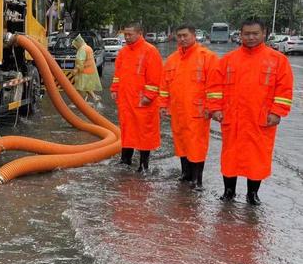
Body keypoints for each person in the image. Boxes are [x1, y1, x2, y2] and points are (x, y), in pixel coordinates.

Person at [210, 18, 294, 205]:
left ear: (264, 34)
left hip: (261, 119)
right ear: (240, 35)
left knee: (258, 158)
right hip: (233, 118)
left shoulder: (278, 60)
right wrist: (215, 109)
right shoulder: (228, 60)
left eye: (255, 33)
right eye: (246, 34)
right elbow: (215, 87)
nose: (251, 37)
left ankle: (252, 194)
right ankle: (229, 192)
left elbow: (284, 90)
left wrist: (277, 112)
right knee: (230, 156)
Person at [158, 24, 220, 189]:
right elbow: (164, 86)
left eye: (185, 35)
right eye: (179, 36)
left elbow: (215, 87)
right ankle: (185, 174)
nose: (182, 39)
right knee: (181, 143)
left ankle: (197, 180)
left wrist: (212, 108)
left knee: (197, 145)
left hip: (198, 112)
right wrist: (163, 106)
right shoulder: (172, 59)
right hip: (178, 111)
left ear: (194, 35)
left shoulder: (207, 57)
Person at [111, 22, 163, 171]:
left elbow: (155, 78)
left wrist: (149, 96)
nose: (126, 37)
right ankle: (125, 160)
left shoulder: (150, 51)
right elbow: (118, 75)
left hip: (143, 102)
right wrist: (115, 89)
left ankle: (143, 165)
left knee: (144, 133)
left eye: (129, 34)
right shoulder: (123, 52)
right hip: (126, 100)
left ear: (140, 33)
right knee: (127, 130)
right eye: (125, 34)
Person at [71, 33, 102, 105]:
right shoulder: (88, 48)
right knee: (86, 87)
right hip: (91, 71)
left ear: (78, 43)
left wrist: (75, 70)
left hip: (84, 72)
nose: (75, 46)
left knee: (81, 87)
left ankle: (82, 103)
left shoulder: (81, 50)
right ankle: (92, 99)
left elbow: (80, 62)